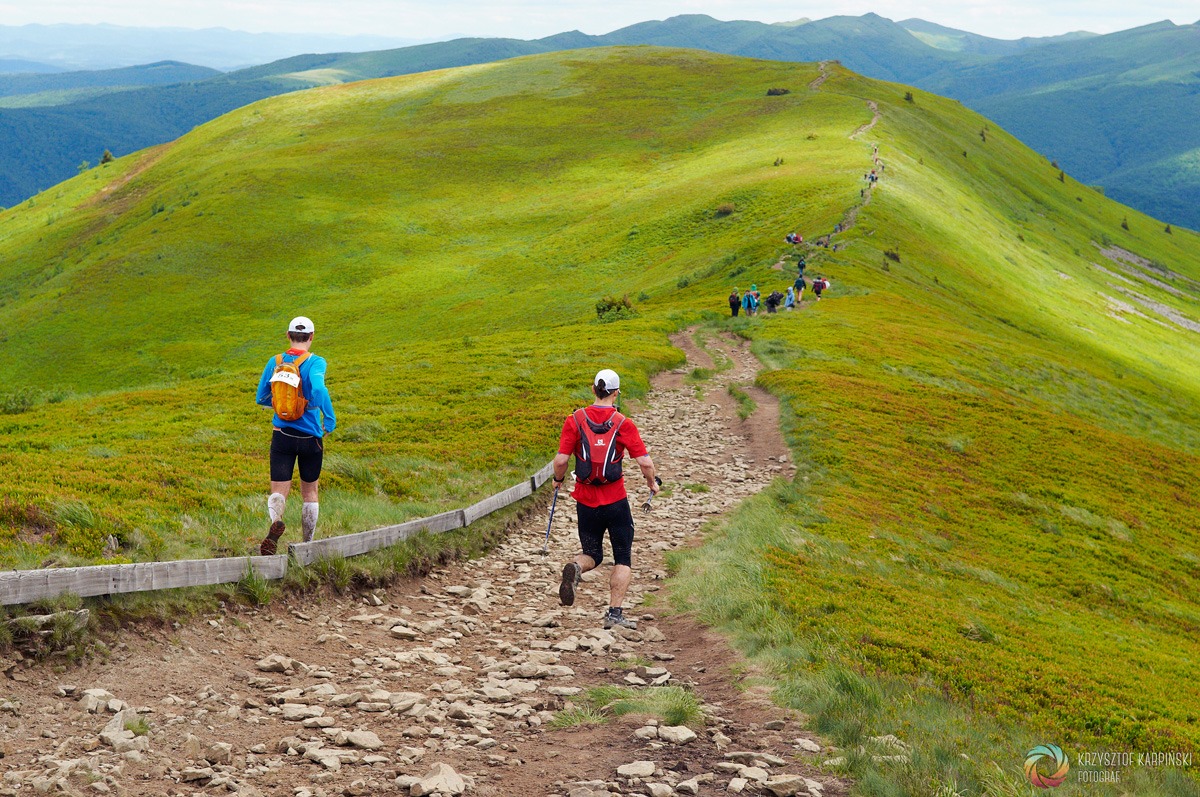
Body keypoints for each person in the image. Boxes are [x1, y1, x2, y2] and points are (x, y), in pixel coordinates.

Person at [553, 369, 659, 630]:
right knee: (622, 556)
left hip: (585, 500)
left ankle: (576, 567)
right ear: (616, 392)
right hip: (615, 501)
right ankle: (614, 614)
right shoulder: (623, 423)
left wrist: (558, 480)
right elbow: (645, 462)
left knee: (592, 552)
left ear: (593, 390)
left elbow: (561, 460)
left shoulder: (574, 420)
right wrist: (651, 483)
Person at [256, 316, 336, 555]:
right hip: (310, 436)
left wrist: (284, 407)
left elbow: (261, 397)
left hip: (282, 434)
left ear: (288, 335)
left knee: (278, 490)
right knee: (310, 491)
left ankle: (276, 521)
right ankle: (307, 543)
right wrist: (328, 418)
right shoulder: (316, 362)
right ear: (311, 337)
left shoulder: (275, 361)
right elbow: (320, 389)